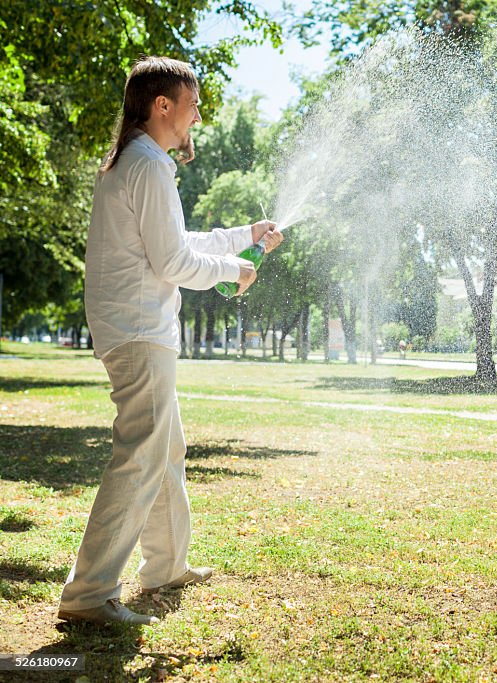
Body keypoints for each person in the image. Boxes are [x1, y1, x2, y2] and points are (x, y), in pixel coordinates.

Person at [57, 56, 284, 625]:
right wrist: (237, 269)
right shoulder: (149, 166)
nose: (198, 116)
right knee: (140, 458)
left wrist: (242, 238)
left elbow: (172, 238)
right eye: (193, 104)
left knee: (166, 451)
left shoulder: (135, 162)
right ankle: (88, 595)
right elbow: (175, 260)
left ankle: (165, 566)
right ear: (163, 105)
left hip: (134, 330)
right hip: (139, 333)